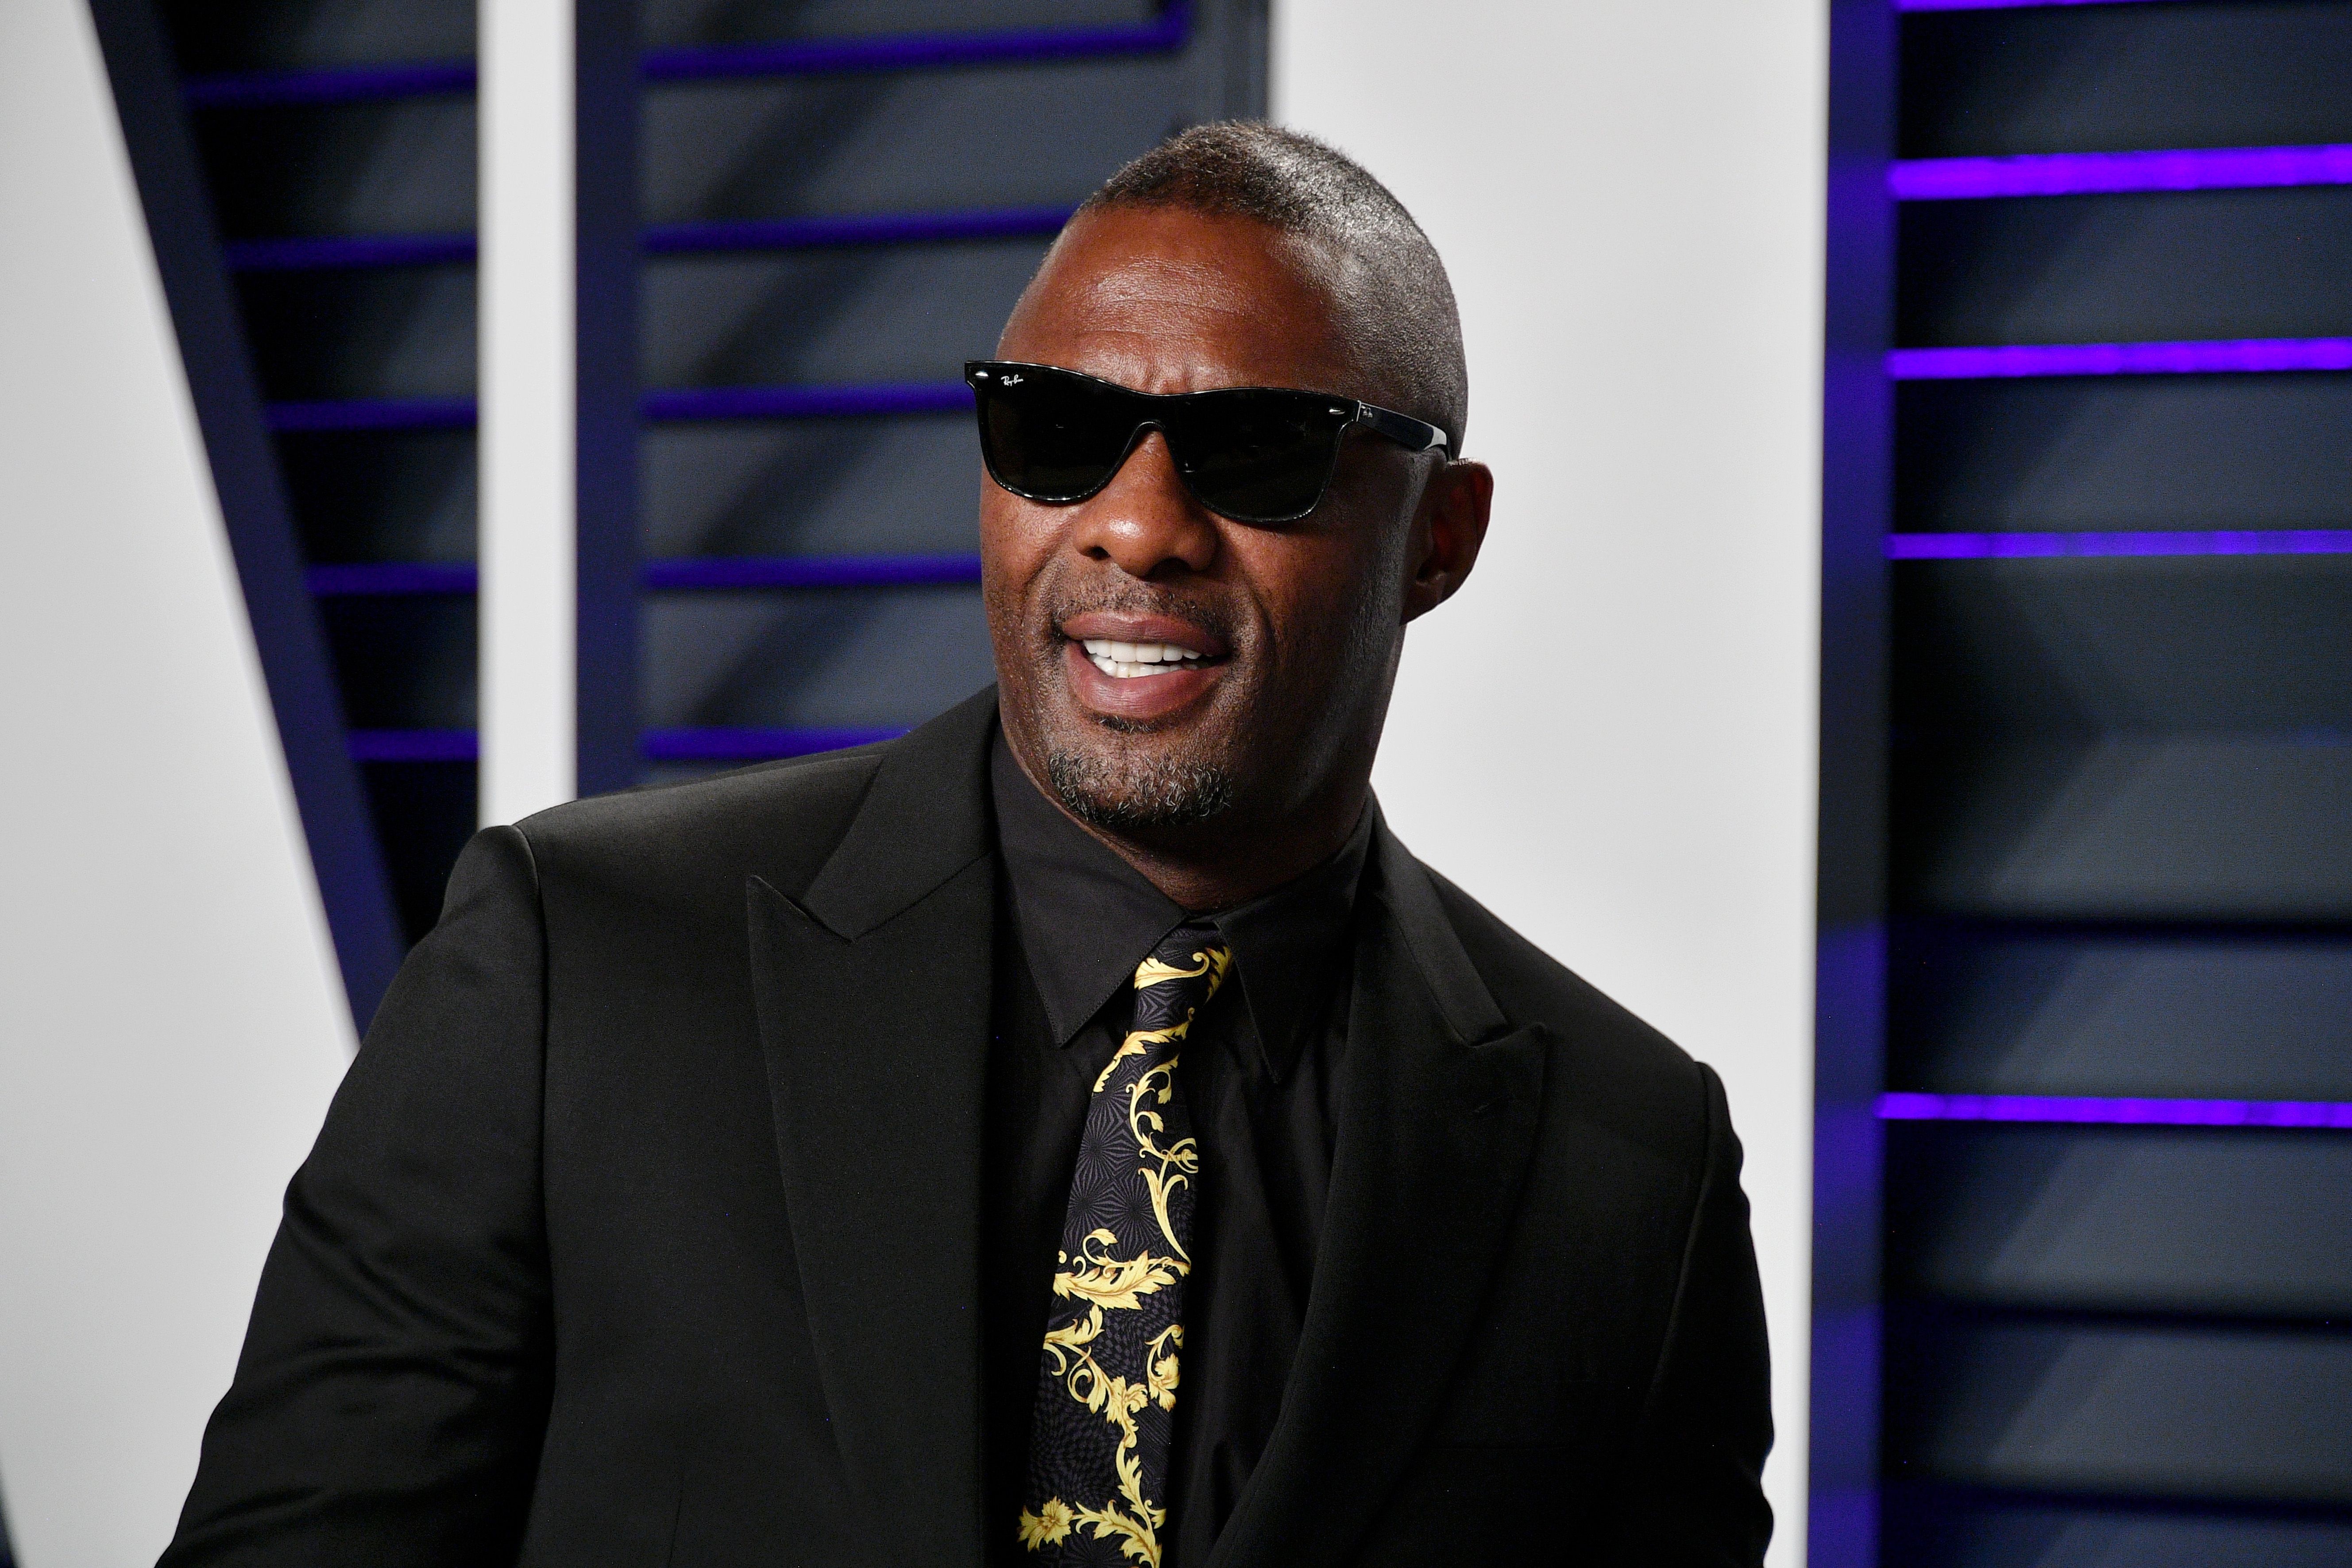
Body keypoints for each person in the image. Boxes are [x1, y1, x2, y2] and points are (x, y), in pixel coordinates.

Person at [160, 122, 1771, 1568]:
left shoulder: (1628, 1164)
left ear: (1441, 535)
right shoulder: (579, 964)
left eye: (1261, 448)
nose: (1135, 525)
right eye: (1059, 430)